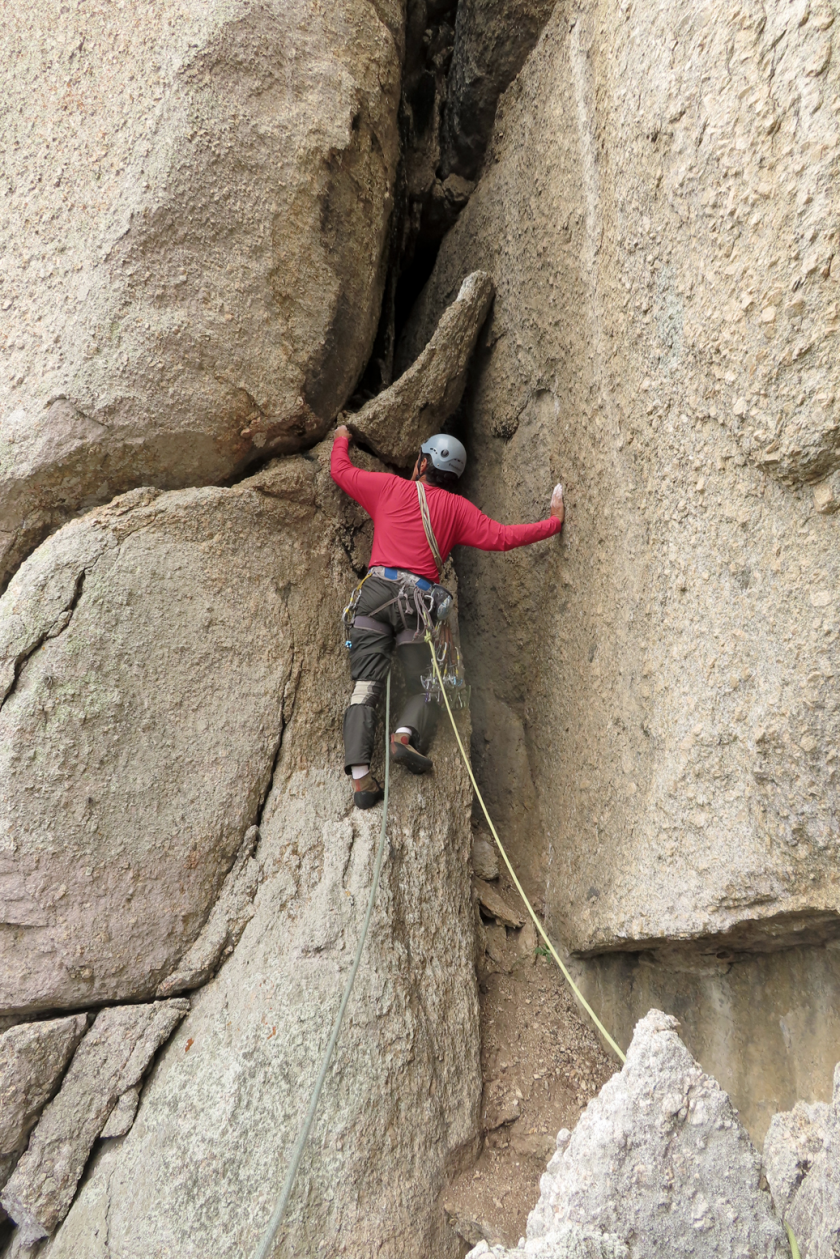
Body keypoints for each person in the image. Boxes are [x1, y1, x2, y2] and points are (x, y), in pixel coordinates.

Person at [331, 424, 565, 808]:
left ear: (423, 462)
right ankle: (403, 735)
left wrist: (342, 436)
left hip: (374, 597)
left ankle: (361, 781)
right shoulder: (458, 509)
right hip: (417, 608)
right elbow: (504, 537)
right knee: (429, 684)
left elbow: (339, 471)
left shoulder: (389, 487)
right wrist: (552, 524)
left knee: (365, 687)